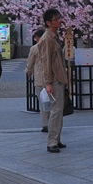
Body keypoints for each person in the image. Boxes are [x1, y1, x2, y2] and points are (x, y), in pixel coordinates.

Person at [35, 8, 68, 153]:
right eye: (56, 19)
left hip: (58, 77)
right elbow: (45, 62)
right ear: (48, 23)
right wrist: (47, 83)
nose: (59, 21)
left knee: (59, 110)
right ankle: (52, 142)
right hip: (54, 79)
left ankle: (57, 139)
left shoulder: (54, 37)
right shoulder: (47, 39)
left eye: (59, 18)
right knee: (56, 110)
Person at [25, 28, 49, 132]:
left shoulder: (34, 48)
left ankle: (45, 124)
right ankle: (54, 123)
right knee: (53, 102)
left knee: (43, 102)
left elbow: (30, 62)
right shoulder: (51, 47)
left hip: (40, 79)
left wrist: (28, 71)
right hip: (52, 79)